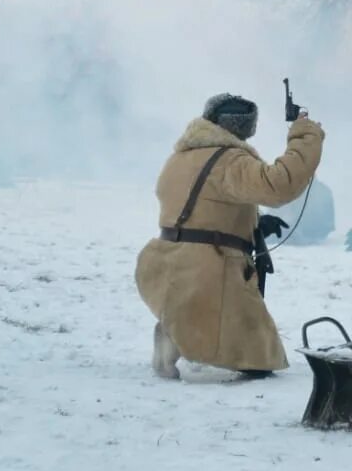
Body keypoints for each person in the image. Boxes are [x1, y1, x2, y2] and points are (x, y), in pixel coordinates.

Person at [135, 93, 324, 380]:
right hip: (210, 267)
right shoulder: (229, 159)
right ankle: (176, 338)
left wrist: (254, 222)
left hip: (170, 260)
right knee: (256, 356)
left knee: (193, 315)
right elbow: (279, 184)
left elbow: (204, 207)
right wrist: (305, 135)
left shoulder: (182, 157)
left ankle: (171, 338)